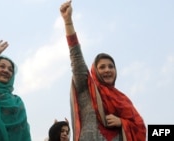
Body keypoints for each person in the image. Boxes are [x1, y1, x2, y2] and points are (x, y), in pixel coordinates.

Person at [59, 1, 146, 141]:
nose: (107, 70)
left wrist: (122, 122)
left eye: (111, 66)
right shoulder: (86, 88)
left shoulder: (122, 100)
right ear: (95, 71)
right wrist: (68, 22)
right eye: (102, 67)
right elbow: (76, 56)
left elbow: (140, 127)